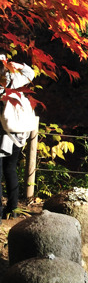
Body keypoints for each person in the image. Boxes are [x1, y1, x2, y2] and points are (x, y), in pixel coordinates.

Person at [0, 55, 38, 219]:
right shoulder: (12, 80)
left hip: (3, 134)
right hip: (18, 133)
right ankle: (13, 208)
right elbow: (31, 73)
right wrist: (18, 66)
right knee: (10, 169)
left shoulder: (6, 81)